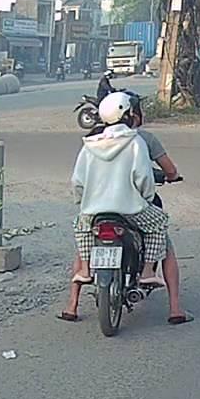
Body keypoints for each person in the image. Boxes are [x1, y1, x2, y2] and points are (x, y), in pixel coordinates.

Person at [63, 93, 192, 325]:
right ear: (129, 114)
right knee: (159, 224)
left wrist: (84, 203)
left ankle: (81, 281)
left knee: (82, 230)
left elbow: (77, 181)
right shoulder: (136, 141)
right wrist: (146, 198)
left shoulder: (90, 143)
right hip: (131, 210)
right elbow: (143, 177)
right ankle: (150, 275)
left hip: (95, 211)